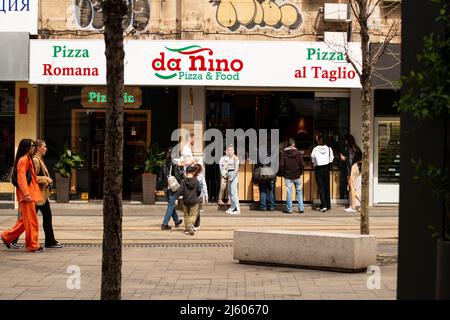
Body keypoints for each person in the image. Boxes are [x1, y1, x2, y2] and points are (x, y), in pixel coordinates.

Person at [12, 139, 63, 248]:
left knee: (41, 218)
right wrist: (46, 179)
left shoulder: (38, 159)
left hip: (41, 195)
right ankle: (13, 239)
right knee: (27, 221)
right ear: (39, 148)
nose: (46, 148)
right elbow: (31, 178)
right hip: (36, 195)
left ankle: (49, 241)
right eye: (44, 146)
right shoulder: (34, 160)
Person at [1, 139, 44, 252]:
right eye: (32, 146)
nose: (34, 148)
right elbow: (21, 179)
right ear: (26, 148)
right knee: (31, 221)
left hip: (30, 194)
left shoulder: (28, 159)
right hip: (27, 195)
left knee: (25, 221)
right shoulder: (23, 160)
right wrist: (26, 194)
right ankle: (32, 245)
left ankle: (7, 236)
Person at [158, 147, 183, 230]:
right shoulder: (174, 163)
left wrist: (159, 186)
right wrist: (182, 183)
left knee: (171, 204)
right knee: (171, 205)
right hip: (172, 187)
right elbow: (177, 176)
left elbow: (160, 177)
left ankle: (176, 221)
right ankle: (164, 224)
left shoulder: (162, 163)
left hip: (166, 187)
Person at [280, 138, 305, 214]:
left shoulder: (284, 153)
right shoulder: (298, 153)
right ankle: (301, 209)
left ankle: (289, 209)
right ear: (294, 144)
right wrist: (300, 172)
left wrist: (283, 173)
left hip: (288, 175)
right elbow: (302, 165)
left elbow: (281, 165)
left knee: (289, 192)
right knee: (299, 191)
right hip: (297, 175)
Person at [175, 166, 201, 235]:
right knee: (194, 214)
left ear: (186, 173)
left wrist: (176, 198)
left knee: (186, 215)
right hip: (194, 200)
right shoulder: (196, 181)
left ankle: (187, 228)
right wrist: (196, 196)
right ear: (193, 172)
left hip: (186, 201)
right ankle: (191, 224)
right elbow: (199, 190)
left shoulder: (183, 181)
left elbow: (180, 191)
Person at [340, 135, 362, 212]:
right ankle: (362, 202)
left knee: (352, 187)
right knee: (353, 187)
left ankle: (353, 207)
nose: (345, 142)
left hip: (352, 168)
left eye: (345, 140)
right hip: (356, 168)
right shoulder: (357, 148)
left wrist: (349, 174)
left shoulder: (349, 149)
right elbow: (358, 159)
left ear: (348, 141)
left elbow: (350, 161)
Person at [311, 136, 334, 212]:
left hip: (318, 168)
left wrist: (315, 163)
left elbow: (312, 157)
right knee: (326, 186)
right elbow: (331, 158)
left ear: (318, 141)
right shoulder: (329, 149)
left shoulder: (315, 149)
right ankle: (327, 205)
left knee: (321, 187)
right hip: (326, 168)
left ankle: (323, 205)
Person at [225, 145, 240, 215]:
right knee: (230, 192)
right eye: (229, 150)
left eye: (231, 150)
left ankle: (237, 209)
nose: (230, 151)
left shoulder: (236, 158)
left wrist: (232, 177)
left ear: (234, 151)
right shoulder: (228, 158)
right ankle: (233, 207)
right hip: (229, 175)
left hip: (233, 175)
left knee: (234, 193)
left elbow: (237, 169)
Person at [193, 163, 208, 230]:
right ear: (200, 170)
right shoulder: (201, 176)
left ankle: (194, 225)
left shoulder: (192, 176)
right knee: (197, 211)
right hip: (199, 196)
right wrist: (206, 196)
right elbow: (204, 186)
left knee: (196, 211)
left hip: (194, 196)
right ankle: (197, 225)